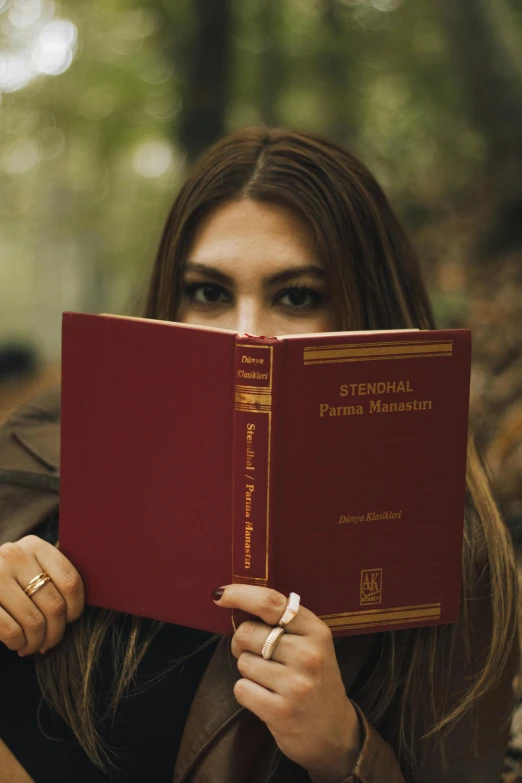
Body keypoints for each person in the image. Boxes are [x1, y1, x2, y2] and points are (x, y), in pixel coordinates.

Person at [0, 126, 518, 783]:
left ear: (367, 312)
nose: (248, 334)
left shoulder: (457, 554)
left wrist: (343, 748)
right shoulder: (54, 429)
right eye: (209, 292)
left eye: (297, 296)